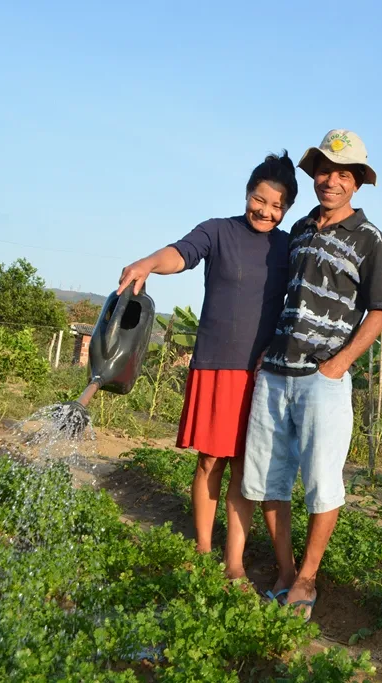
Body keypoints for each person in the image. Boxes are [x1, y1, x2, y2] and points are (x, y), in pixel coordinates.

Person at [117, 152, 297, 581]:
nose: (266, 211)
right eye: (259, 199)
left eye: (277, 206)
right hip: (216, 365)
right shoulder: (217, 232)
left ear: (287, 209)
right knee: (210, 462)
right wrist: (147, 265)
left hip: (260, 373)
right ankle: (202, 550)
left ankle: (233, 563)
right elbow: (180, 254)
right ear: (247, 193)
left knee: (243, 469)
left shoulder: (288, 247)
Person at [242, 129, 382, 618]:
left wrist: (338, 364)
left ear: (357, 184)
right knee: (269, 479)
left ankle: (307, 578)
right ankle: (285, 573)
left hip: (321, 381)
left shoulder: (371, 239)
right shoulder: (300, 229)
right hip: (275, 373)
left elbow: (379, 312)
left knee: (322, 482)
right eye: (325, 171)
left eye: (343, 174)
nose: (331, 180)